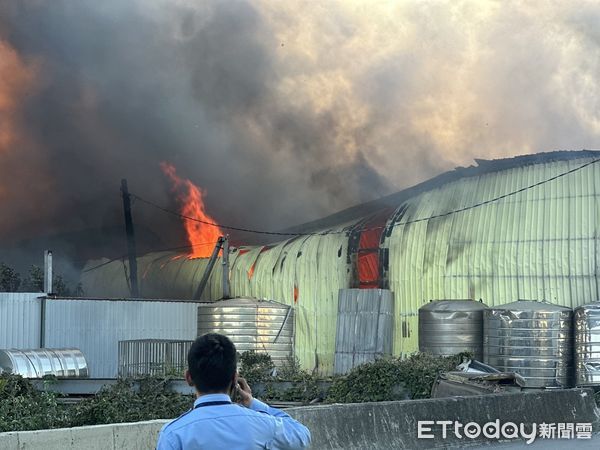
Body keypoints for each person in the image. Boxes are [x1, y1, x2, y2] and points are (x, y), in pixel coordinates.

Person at [156, 333, 311, 450]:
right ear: (235, 378)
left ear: (189, 378)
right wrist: (252, 403)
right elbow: (302, 436)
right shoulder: (261, 424)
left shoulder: (173, 434)